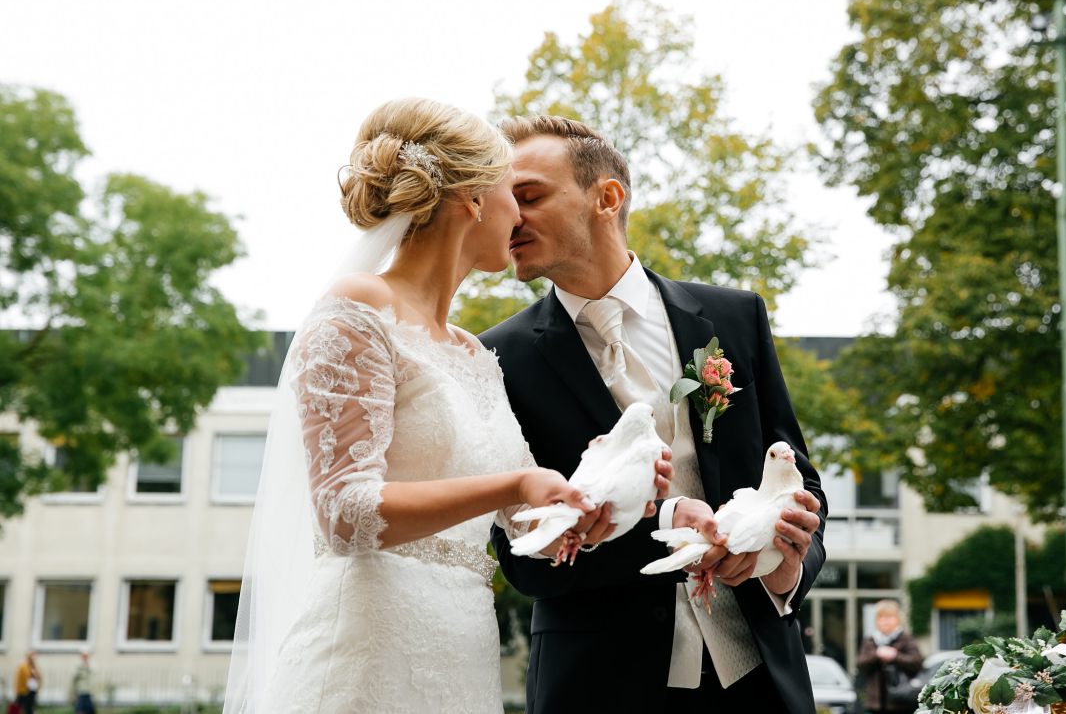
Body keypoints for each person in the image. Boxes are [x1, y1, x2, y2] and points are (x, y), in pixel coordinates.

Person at [221, 99, 672, 713]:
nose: (518, 214)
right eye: (513, 192)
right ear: (475, 200)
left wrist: (601, 487)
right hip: (368, 649)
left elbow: (525, 526)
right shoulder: (358, 309)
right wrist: (514, 482)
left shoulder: (473, 352)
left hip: (462, 652)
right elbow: (345, 513)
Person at [483, 115, 828, 713]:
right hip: (599, 686)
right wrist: (664, 524)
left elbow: (800, 480)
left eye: (530, 196)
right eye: (503, 201)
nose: (510, 217)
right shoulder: (496, 358)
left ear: (607, 198)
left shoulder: (734, 319)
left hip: (758, 680)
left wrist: (782, 568)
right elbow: (523, 559)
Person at [856, 601, 922, 714]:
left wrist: (896, 656)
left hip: (901, 703)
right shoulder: (870, 641)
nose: (885, 621)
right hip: (875, 704)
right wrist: (877, 655)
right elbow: (861, 665)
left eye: (889, 617)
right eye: (881, 617)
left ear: (898, 619)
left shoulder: (906, 639)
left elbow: (917, 663)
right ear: (876, 621)